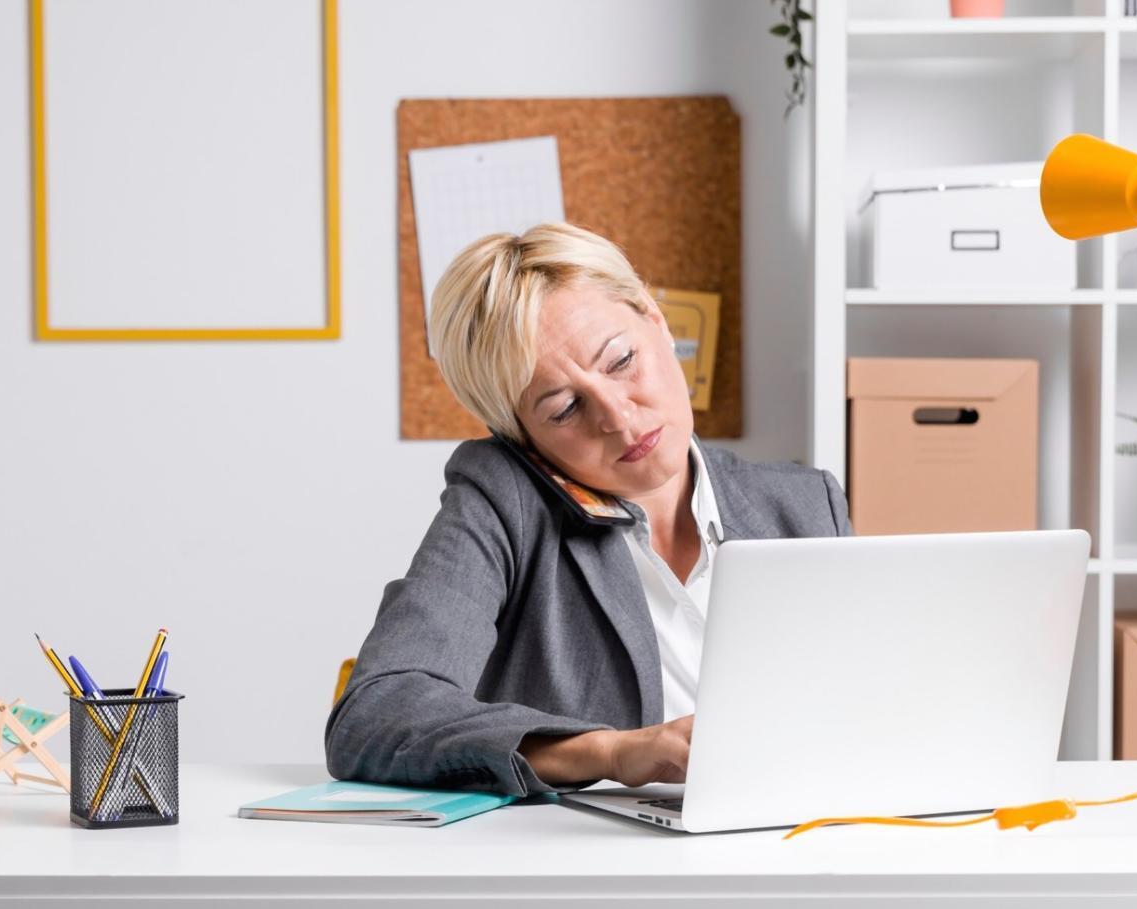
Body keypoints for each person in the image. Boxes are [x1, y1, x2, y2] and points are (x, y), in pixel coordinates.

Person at [325, 222, 851, 796]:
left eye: (622, 361)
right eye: (564, 408)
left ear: (655, 319)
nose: (620, 419)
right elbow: (374, 716)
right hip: (599, 872)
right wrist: (613, 751)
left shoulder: (806, 505)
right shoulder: (504, 502)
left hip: (802, 845)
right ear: (521, 437)